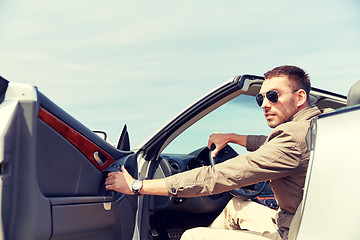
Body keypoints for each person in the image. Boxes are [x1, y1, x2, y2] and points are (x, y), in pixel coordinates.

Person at [105, 65, 322, 240]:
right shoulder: (319, 126)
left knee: (192, 236)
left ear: (300, 96)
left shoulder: (292, 138)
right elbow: (271, 145)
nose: (264, 104)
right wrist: (233, 137)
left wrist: (137, 186)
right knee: (236, 207)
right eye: (260, 98)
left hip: (294, 233)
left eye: (273, 96)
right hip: (304, 223)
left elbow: (217, 177)